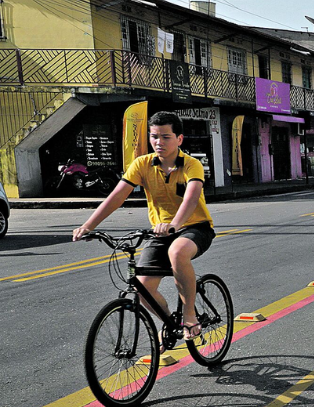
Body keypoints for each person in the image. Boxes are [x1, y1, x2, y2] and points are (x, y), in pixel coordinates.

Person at [72, 111, 215, 343]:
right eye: (154, 136)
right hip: (161, 231)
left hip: (195, 228)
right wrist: (88, 226)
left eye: (166, 137)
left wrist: (174, 224)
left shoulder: (191, 165)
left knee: (177, 252)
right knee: (142, 288)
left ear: (179, 139)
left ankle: (189, 315)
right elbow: (117, 197)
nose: (159, 142)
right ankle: (171, 322)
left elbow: (191, 197)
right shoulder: (142, 164)